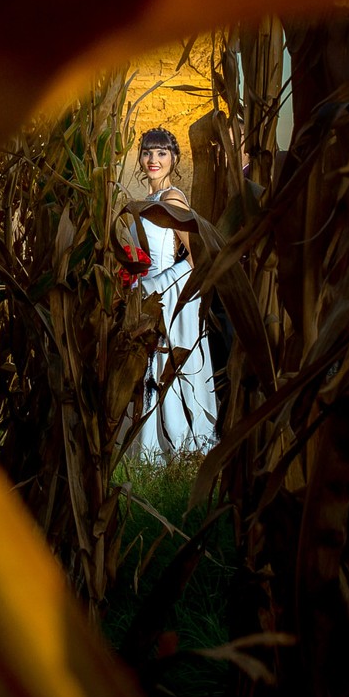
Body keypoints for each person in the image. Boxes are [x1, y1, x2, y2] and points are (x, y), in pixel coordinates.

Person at [133, 126, 217, 454]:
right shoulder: (144, 201)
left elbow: (194, 258)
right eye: (147, 152)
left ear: (174, 158)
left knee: (166, 365)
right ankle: (148, 448)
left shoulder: (172, 198)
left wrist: (155, 286)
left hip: (165, 296)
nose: (154, 159)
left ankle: (175, 446)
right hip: (142, 293)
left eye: (162, 152)